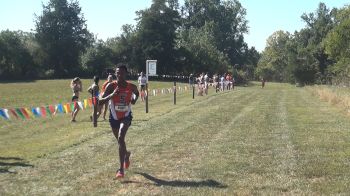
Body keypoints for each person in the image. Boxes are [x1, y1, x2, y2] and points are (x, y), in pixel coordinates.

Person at [99, 64, 139, 178]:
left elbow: (137, 93)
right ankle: (126, 154)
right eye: (117, 73)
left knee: (121, 137)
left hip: (126, 115)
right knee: (120, 142)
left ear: (126, 74)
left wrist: (134, 100)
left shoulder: (131, 86)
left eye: (121, 73)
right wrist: (111, 95)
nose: (119, 75)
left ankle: (121, 170)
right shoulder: (111, 86)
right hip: (114, 117)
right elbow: (100, 102)